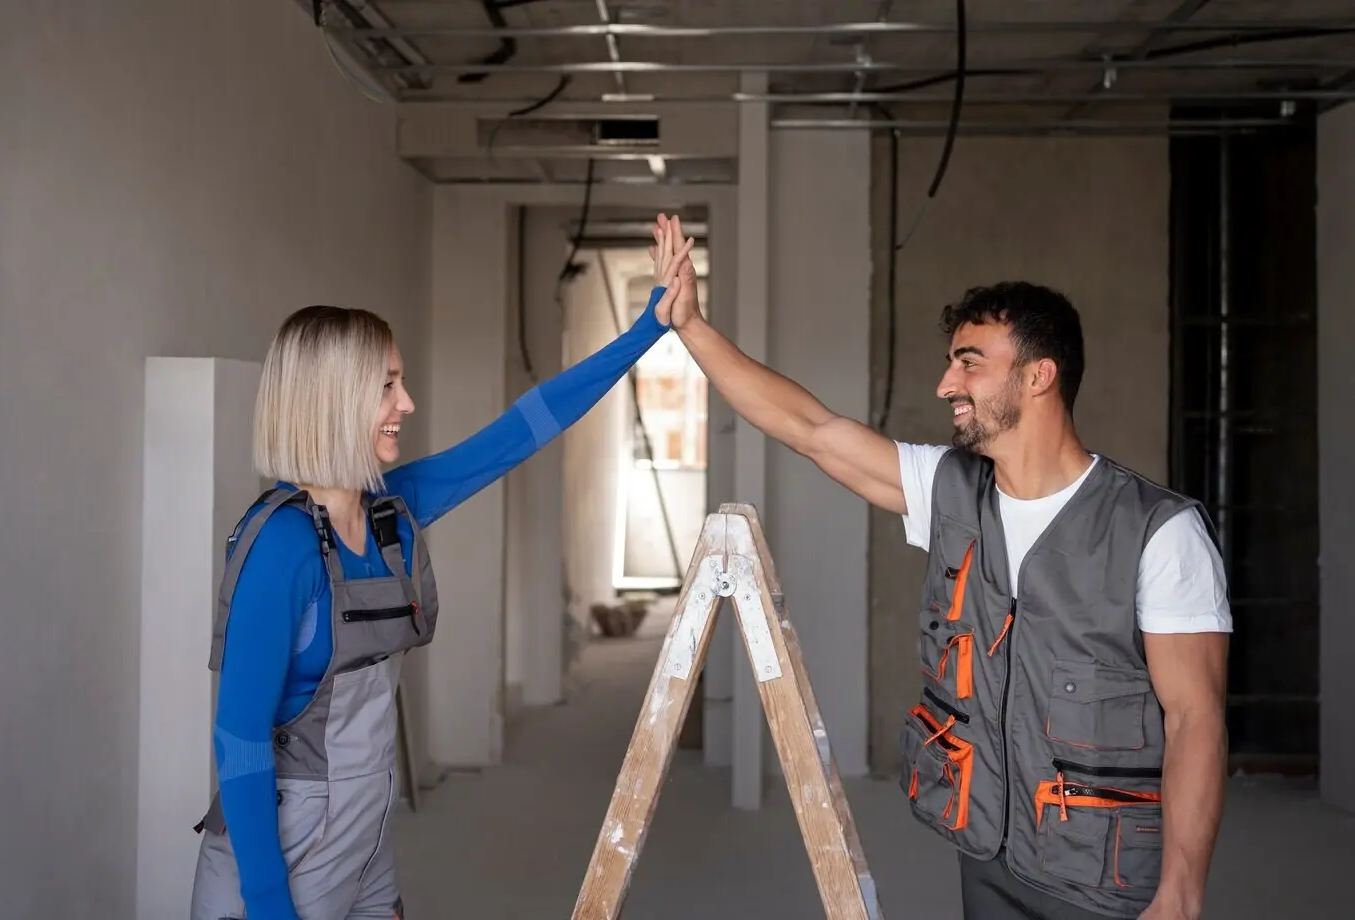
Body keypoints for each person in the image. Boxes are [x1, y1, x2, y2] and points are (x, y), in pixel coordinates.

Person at [650, 214, 1230, 920]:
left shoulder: (1159, 532)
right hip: (987, 856)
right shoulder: (950, 491)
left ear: (1039, 375)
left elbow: (1195, 717)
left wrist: (1182, 890)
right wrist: (692, 327)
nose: (945, 383)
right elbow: (809, 430)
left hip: (1107, 880)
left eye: (969, 362)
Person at [189, 232, 694, 920]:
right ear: (334, 400)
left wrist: (649, 328)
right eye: (388, 386)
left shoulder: (391, 514)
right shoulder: (280, 546)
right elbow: (241, 737)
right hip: (281, 853)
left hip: (366, 832)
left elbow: (521, 430)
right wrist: (270, 904)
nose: (408, 404)